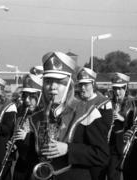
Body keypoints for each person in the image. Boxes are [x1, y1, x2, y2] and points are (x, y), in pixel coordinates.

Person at [28, 51, 110, 180]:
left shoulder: (87, 112)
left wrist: (68, 149)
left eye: (59, 82)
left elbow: (102, 155)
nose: (52, 87)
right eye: (48, 81)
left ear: (69, 86)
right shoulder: (36, 117)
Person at [76, 67, 112, 180]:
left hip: (96, 153)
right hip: (79, 153)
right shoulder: (76, 103)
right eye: (80, 85)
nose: (82, 88)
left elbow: (104, 130)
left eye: (86, 85)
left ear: (93, 84)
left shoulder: (104, 103)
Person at [11, 73, 43, 180]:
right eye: (25, 96)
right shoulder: (21, 112)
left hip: (37, 164)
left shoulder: (44, 115)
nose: (27, 101)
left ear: (39, 96)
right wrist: (14, 145)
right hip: (21, 164)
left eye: (31, 97)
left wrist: (27, 135)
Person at [107, 72, 135, 180]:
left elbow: (135, 125)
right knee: (111, 175)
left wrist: (122, 119)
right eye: (115, 89)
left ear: (126, 88)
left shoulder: (132, 104)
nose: (117, 92)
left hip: (125, 146)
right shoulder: (109, 103)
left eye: (120, 89)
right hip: (110, 145)